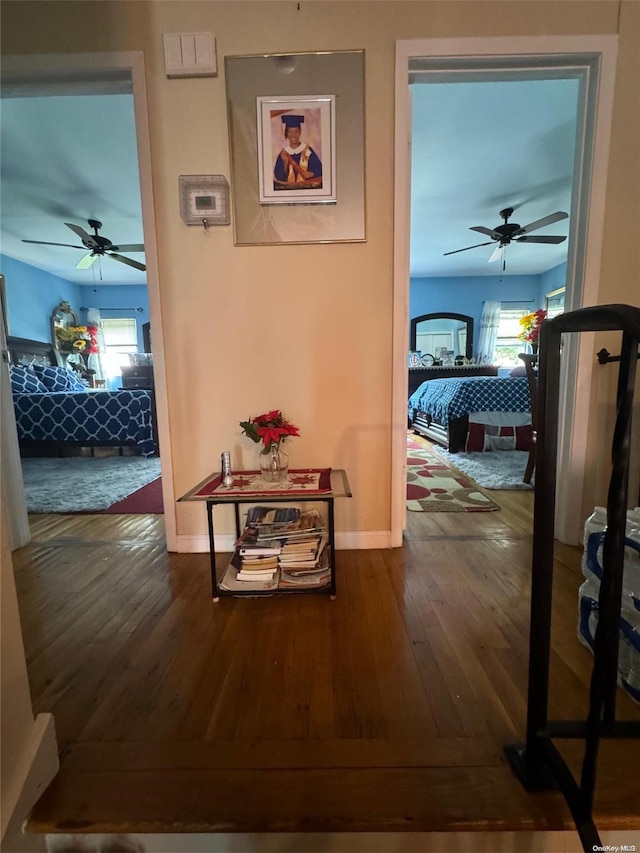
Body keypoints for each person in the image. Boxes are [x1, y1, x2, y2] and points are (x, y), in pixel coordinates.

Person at [273, 114, 323, 190]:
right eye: (290, 131)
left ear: (300, 132)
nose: (293, 135)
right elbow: (278, 177)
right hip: (289, 191)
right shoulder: (283, 153)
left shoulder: (307, 150)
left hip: (306, 189)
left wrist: (311, 173)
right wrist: (285, 164)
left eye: (296, 131)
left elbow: (320, 169)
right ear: (286, 133)